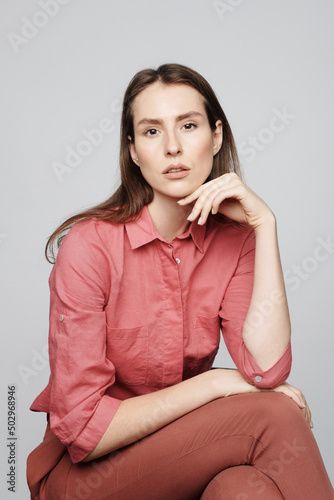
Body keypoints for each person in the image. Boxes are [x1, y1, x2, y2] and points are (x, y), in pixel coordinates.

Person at [27, 63, 333, 499]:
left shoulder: (236, 242)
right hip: (86, 479)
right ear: (133, 151)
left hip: (184, 461)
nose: (173, 147)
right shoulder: (90, 247)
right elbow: (81, 429)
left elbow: (265, 370)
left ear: (217, 136)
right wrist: (214, 383)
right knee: (274, 415)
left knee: (244, 489)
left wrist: (265, 225)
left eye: (188, 126)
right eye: (152, 132)